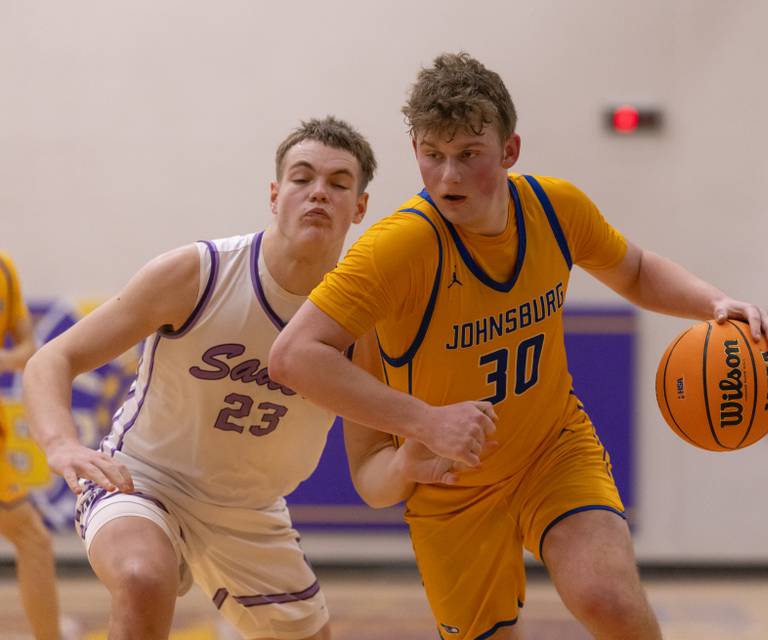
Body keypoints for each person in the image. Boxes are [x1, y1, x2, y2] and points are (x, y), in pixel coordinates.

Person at [268, 54, 768, 640]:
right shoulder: (397, 250)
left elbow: (637, 270)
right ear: (414, 148)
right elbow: (292, 356)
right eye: (433, 155)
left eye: (469, 155)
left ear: (509, 150)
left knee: (609, 601)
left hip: (551, 450)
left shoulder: (554, 208)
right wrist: (426, 424)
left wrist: (715, 303)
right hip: (453, 488)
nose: (448, 176)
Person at [22, 117, 476, 640]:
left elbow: (372, 481)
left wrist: (408, 462)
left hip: (251, 512)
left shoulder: (366, 324)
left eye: (338, 183)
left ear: (360, 207)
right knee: (143, 577)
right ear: (275, 194)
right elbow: (51, 360)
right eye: (302, 178)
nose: (318, 193)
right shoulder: (198, 273)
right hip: (145, 479)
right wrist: (60, 444)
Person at [0, 251, 61, 640]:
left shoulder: (5, 270)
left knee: (33, 538)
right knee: (32, 537)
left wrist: (5, 359)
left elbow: (28, 349)